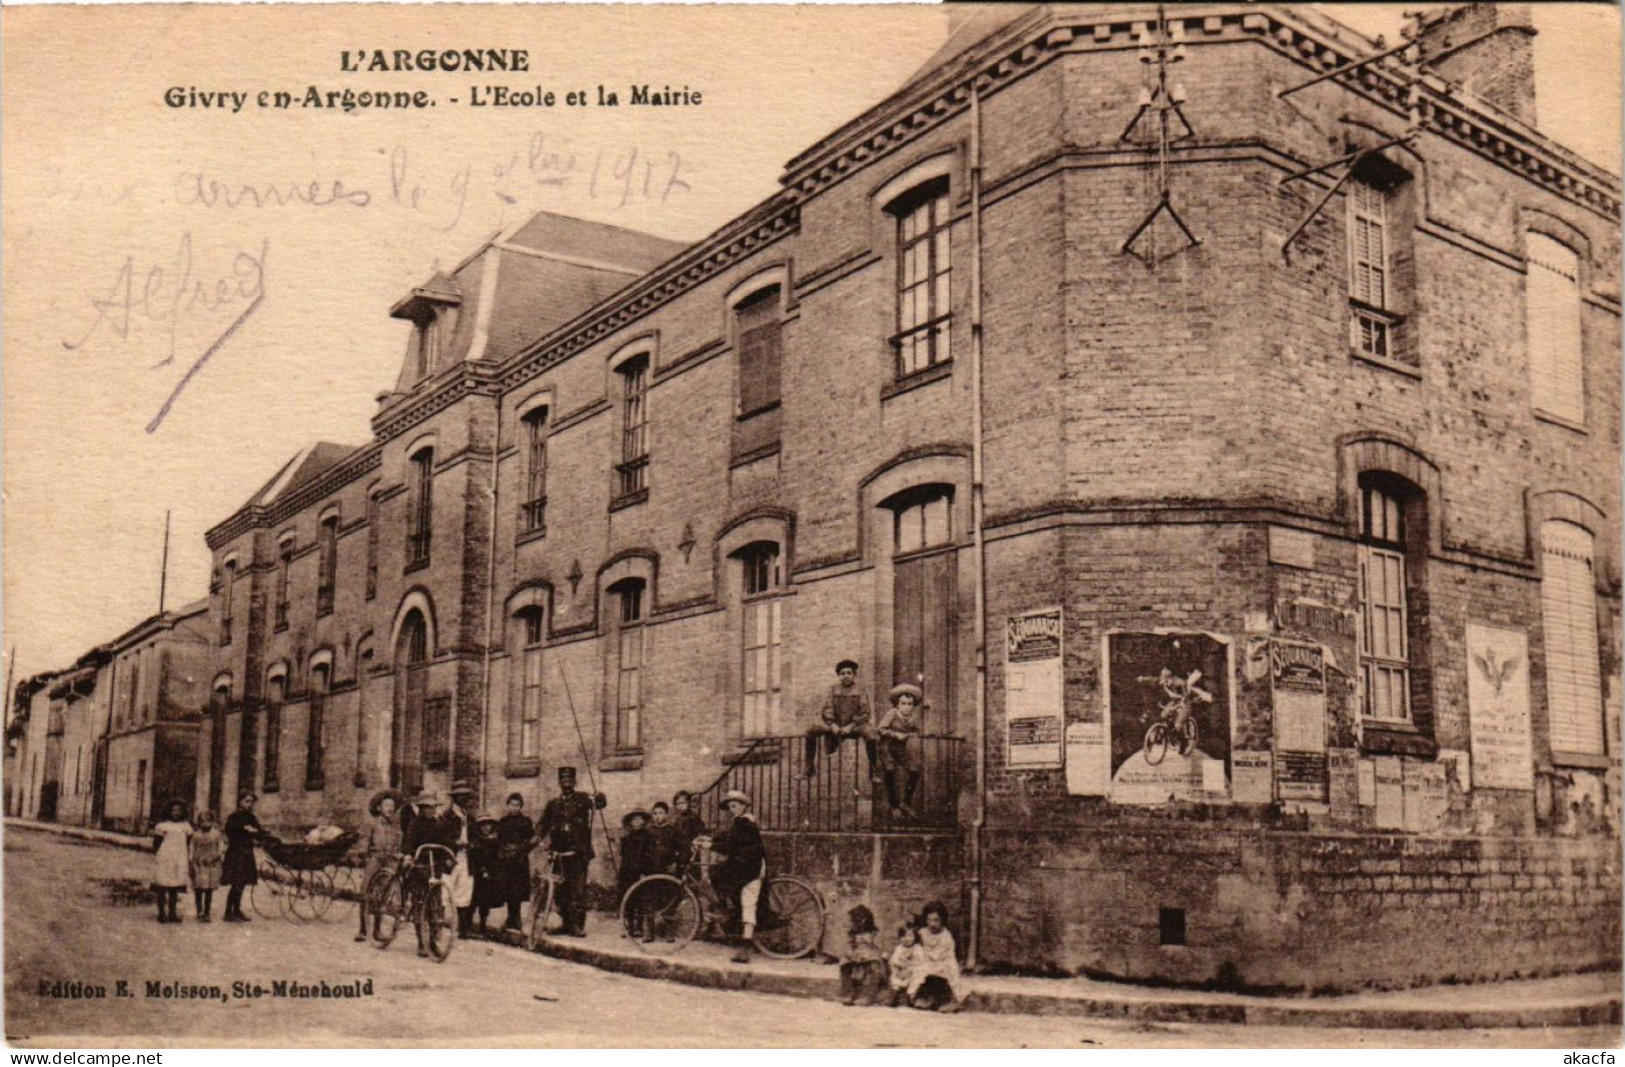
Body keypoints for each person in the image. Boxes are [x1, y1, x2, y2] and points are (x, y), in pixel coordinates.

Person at [537, 766, 605, 938]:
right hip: (559, 854)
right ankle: (565, 923)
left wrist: (599, 796)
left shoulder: (583, 799)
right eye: (563, 780)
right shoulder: (553, 804)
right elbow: (542, 824)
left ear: (574, 782)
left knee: (577, 891)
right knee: (561, 892)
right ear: (559, 783)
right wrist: (539, 840)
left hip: (578, 854)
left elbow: (600, 803)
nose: (567, 783)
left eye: (570, 780)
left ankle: (576, 925)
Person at [702, 789, 766, 964]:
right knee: (716, 873)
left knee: (748, 902)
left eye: (735, 806)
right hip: (742, 866)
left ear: (744, 806)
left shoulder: (745, 823)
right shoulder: (739, 822)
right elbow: (728, 839)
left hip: (751, 868)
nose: (732, 809)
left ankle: (745, 947)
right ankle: (728, 913)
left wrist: (711, 846)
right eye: (730, 807)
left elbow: (731, 845)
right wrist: (710, 841)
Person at [804, 660, 878, 780]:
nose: (846, 676)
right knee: (810, 730)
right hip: (836, 725)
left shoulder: (861, 690)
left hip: (855, 726)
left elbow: (864, 712)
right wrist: (832, 724)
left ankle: (874, 770)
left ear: (854, 675)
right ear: (839, 675)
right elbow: (827, 708)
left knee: (871, 734)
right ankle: (809, 768)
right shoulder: (833, 689)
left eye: (849, 673)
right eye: (842, 673)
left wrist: (851, 725)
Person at [356, 790, 404, 942]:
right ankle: (362, 930)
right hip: (375, 859)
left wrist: (399, 854)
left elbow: (399, 842)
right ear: (379, 808)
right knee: (366, 892)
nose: (390, 808)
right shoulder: (372, 823)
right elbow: (364, 840)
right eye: (387, 805)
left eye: (392, 806)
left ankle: (377, 930)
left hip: (390, 861)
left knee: (383, 895)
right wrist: (363, 853)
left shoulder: (395, 826)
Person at [877, 684, 927, 820]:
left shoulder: (912, 718)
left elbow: (916, 730)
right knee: (890, 771)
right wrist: (895, 734)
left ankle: (906, 803)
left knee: (914, 770)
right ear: (898, 705)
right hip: (887, 746)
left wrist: (914, 733)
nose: (906, 707)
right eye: (903, 703)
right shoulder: (892, 713)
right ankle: (894, 806)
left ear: (913, 706)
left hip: (900, 748)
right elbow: (880, 729)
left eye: (910, 704)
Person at [221, 792, 271, 923]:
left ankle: (236, 910)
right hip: (236, 853)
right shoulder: (234, 817)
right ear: (240, 802)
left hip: (247, 852)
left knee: (242, 883)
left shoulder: (251, 817)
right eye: (246, 801)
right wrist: (246, 830)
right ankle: (228, 912)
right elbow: (230, 831)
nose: (249, 804)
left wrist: (262, 833)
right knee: (236, 883)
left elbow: (258, 830)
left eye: (251, 802)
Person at [906, 901, 964, 1012]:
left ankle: (948, 1001)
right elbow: (916, 946)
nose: (932, 924)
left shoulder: (946, 936)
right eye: (929, 920)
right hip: (927, 962)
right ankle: (922, 998)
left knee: (936, 974)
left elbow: (937, 956)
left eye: (936, 920)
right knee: (918, 971)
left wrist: (924, 958)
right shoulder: (923, 932)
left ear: (942, 920)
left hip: (943, 963)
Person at [441, 781, 478, 938]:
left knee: (464, 892)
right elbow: (441, 837)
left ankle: (463, 928)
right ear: (455, 798)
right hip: (450, 858)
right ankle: (437, 927)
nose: (465, 800)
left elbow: (476, 837)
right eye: (462, 796)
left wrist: (472, 844)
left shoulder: (469, 818)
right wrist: (455, 843)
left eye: (467, 797)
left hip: (466, 859)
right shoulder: (446, 817)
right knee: (445, 891)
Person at [494, 792, 536, 931]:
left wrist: (522, 849)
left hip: (520, 860)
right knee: (507, 889)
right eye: (512, 805)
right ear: (507, 805)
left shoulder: (526, 821)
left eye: (517, 805)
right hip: (506, 860)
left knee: (518, 889)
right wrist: (504, 850)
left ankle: (516, 919)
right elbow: (499, 840)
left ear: (521, 806)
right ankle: (510, 918)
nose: (514, 808)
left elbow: (532, 840)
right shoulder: (502, 822)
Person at [616, 808, 659, 939]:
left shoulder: (649, 837)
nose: (636, 822)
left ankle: (639, 927)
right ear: (630, 822)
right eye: (634, 820)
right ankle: (629, 927)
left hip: (642, 873)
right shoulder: (626, 839)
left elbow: (650, 857)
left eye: (639, 819)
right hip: (627, 873)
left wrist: (645, 872)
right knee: (628, 900)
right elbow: (624, 856)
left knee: (641, 900)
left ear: (643, 821)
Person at [839, 904, 889, 1006]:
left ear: (863, 920)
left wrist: (870, 955)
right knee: (844, 963)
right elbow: (849, 946)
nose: (852, 923)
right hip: (857, 956)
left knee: (874, 965)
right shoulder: (852, 934)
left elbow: (879, 948)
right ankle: (849, 992)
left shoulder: (874, 933)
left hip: (871, 955)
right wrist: (850, 952)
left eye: (853, 921)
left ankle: (868, 995)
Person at [152, 800, 191, 924]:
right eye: (173, 810)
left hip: (179, 859)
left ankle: (172, 913)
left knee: (174, 887)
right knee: (162, 886)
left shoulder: (186, 826)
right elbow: (156, 844)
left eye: (179, 810)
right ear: (169, 811)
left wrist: (185, 857)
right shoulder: (162, 826)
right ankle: (161, 913)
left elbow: (187, 843)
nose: (176, 813)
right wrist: (158, 857)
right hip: (165, 858)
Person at [188, 809, 224, 923]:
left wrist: (216, 856)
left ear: (212, 822)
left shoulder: (216, 834)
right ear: (199, 822)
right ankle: (199, 911)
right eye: (202, 821)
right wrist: (191, 860)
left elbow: (221, 847)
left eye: (208, 821)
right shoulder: (196, 835)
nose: (205, 824)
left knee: (208, 888)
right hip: (199, 864)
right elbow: (191, 847)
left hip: (211, 864)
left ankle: (207, 912)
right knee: (198, 888)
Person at [469, 811, 502, 935]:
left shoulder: (494, 842)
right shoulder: (475, 842)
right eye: (483, 825)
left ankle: (483, 926)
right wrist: (481, 870)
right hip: (477, 875)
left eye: (488, 825)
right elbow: (473, 858)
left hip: (490, 875)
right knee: (472, 901)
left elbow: (497, 858)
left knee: (485, 903)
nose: (486, 828)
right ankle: (468, 925)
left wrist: (494, 872)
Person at [671, 791, 707, 872]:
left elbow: (701, 832)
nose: (679, 806)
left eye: (682, 803)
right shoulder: (678, 819)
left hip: (690, 850)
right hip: (680, 850)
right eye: (677, 804)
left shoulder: (693, 818)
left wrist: (696, 842)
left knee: (690, 871)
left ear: (689, 803)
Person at [887, 924, 919, 1007]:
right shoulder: (899, 948)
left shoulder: (917, 948)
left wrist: (909, 969)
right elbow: (894, 959)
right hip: (901, 970)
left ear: (915, 937)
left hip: (912, 971)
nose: (907, 939)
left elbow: (919, 962)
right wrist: (901, 965)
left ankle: (911, 997)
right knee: (894, 976)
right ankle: (894, 995)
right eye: (903, 936)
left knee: (916, 979)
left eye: (910, 936)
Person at [647, 801, 681, 874]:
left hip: (668, 868)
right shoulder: (648, 832)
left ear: (666, 815)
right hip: (651, 869)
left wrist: (676, 863)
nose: (657, 816)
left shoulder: (673, 831)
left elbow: (683, 849)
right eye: (655, 813)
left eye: (660, 813)